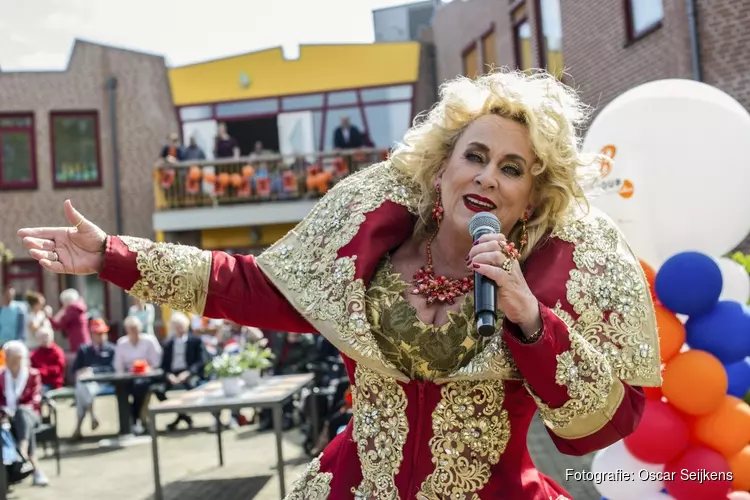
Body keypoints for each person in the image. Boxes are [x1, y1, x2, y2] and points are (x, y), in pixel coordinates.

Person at [17, 70, 661, 499]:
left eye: (511, 168)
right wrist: (112, 256)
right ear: (441, 170)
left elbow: (598, 428)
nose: (488, 176)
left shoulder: (549, 285)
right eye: (475, 156)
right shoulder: (364, 248)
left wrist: (529, 320)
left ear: (529, 199)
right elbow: (245, 284)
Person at [0, 341, 47, 486]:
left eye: (16, 358)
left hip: (31, 414)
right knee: (23, 427)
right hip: (9, 418)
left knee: (22, 414)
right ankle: (32, 464)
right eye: (10, 358)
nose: (13, 362)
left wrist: (17, 411)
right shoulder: (1, 376)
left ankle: (22, 452)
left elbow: (35, 400)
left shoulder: (33, 374)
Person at [153, 312, 207, 431]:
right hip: (173, 374)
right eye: (176, 327)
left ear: (186, 326)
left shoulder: (195, 341)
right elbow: (163, 366)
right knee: (158, 390)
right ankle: (183, 416)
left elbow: (201, 361)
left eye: (180, 326)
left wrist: (187, 373)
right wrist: (169, 376)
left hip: (189, 373)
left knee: (192, 387)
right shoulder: (168, 343)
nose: (178, 329)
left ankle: (181, 417)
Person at [113, 316, 162, 435]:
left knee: (140, 387)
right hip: (128, 376)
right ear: (126, 330)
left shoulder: (150, 341)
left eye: (136, 328)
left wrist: (145, 368)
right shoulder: (122, 343)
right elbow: (118, 365)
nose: (134, 331)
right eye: (131, 329)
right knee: (121, 389)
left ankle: (134, 420)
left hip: (147, 376)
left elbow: (156, 362)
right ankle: (130, 423)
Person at [71, 318, 115, 440]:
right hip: (87, 385)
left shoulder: (111, 349)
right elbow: (74, 370)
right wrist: (81, 372)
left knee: (80, 390)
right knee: (82, 385)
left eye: (103, 333)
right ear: (92, 334)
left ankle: (78, 427)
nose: (101, 336)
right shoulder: (84, 350)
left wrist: (93, 371)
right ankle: (92, 416)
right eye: (98, 333)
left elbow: (113, 368)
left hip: (104, 383)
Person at [47, 288, 91, 353]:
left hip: (77, 341)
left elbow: (58, 325)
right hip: (84, 339)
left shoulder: (72, 310)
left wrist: (49, 316)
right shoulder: (78, 308)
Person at [29, 326, 66, 392]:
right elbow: (30, 369)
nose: (44, 339)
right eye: (42, 337)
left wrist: (39, 372)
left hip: (53, 384)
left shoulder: (57, 352)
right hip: (37, 382)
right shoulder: (34, 354)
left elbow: (57, 369)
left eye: (46, 337)